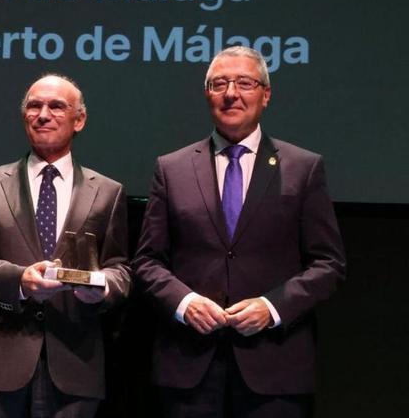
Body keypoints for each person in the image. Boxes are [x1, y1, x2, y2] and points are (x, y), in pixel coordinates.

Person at [132, 46, 346, 417]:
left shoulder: (303, 168)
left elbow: (328, 264)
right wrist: (184, 303)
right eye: (219, 84)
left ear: (266, 94)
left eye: (244, 82)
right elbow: (148, 261)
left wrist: (272, 306)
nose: (231, 93)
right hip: (189, 368)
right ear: (207, 95)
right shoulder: (172, 168)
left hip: (275, 369)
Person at [0, 74, 131, 417]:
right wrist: (20, 281)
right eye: (34, 106)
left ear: (78, 120)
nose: (43, 114)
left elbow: (120, 268)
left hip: (74, 365)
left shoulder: (108, 192)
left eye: (56, 106)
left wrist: (102, 287)